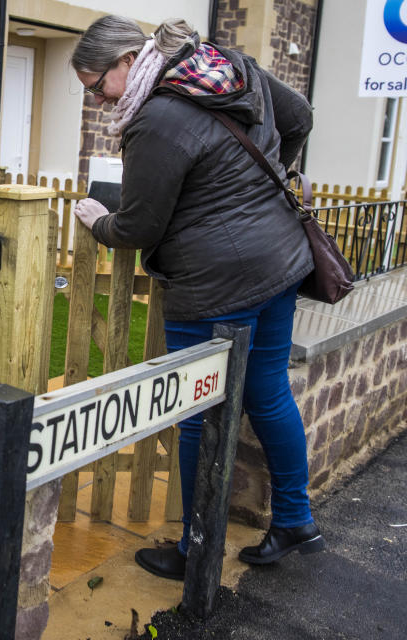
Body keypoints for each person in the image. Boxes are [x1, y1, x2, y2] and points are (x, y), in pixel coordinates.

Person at [71, 15, 326, 580]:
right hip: (279, 260)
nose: (96, 101)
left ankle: (194, 548)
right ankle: (294, 519)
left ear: (127, 61)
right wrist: (267, 182)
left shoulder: (156, 119)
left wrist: (98, 221)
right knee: (269, 393)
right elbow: (299, 116)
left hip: (215, 283)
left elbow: (138, 228)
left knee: (196, 412)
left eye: (96, 87)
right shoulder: (228, 65)